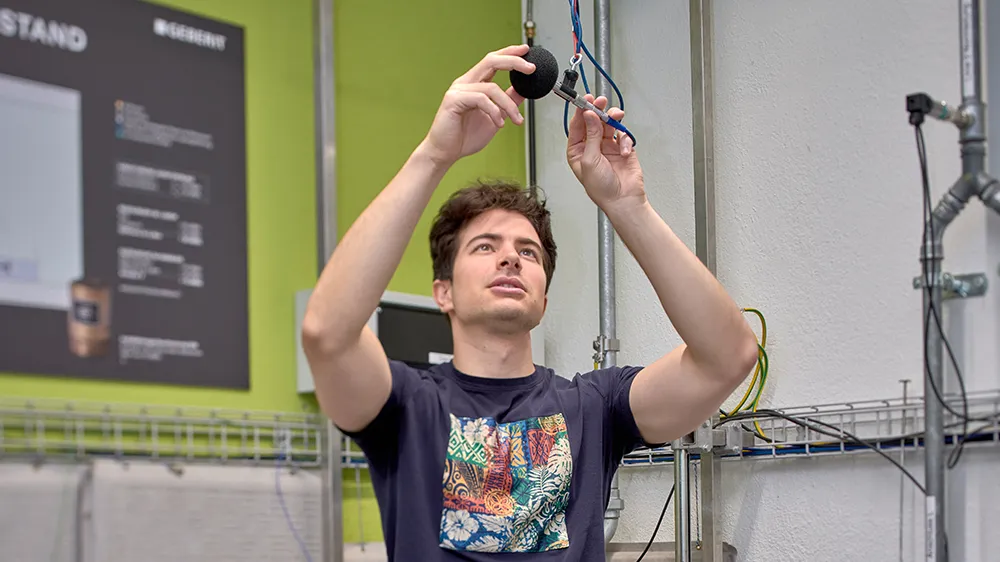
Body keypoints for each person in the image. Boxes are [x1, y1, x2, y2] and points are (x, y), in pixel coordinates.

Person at [301, 44, 759, 561]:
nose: (509, 259)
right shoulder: (408, 407)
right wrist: (434, 154)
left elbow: (729, 356)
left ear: (543, 297)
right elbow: (325, 333)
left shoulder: (594, 408)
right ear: (443, 291)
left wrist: (626, 205)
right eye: (484, 247)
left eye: (528, 252)